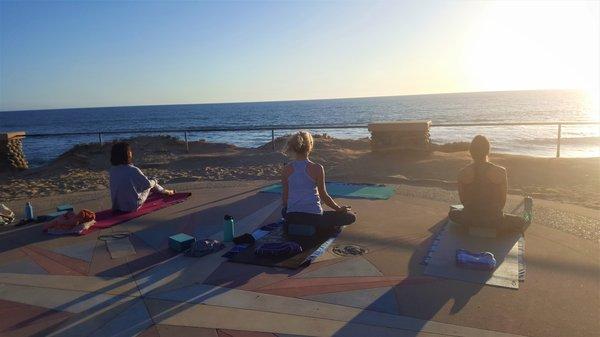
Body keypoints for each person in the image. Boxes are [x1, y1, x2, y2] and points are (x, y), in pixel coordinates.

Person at [449, 135, 529, 232]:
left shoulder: (462, 173)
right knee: (522, 221)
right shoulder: (500, 171)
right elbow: (502, 202)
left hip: (469, 219)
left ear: (471, 152)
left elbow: (463, 201)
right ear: (488, 151)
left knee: (452, 214)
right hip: (494, 221)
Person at [281, 131, 356, 234]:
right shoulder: (317, 168)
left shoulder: (286, 169)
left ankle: (294, 225)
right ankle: (322, 228)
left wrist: (294, 208)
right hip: (313, 216)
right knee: (351, 216)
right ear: (310, 146)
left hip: (292, 216)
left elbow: (285, 200)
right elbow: (324, 196)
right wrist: (338, 209)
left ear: (293, 148)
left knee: (284, 211)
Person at [109, 142, 174, 212]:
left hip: (117, 206)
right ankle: (166, 192)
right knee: (150, 182)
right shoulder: (133, 169)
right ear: (127, 154)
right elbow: (147, 185)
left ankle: (163, 191)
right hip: (132, 206)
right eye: (130, 150)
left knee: (144, 181)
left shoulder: (112, 170)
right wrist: (155, 181)